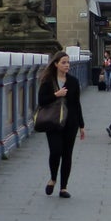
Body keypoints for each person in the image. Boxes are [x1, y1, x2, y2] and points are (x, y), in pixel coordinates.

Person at [37, 50, 85, 199]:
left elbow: (77, 104)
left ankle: (63, 188)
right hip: (53, 121)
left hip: (70, 122)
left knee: (67, 154)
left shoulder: (73, 82)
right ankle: (53, 178)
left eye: (68, 62)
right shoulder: (48, 81)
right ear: (56, 64)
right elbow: (41, 101)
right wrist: (56, 95)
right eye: (63, 62)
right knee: (56, 151)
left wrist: (81, 126)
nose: (67, 65)